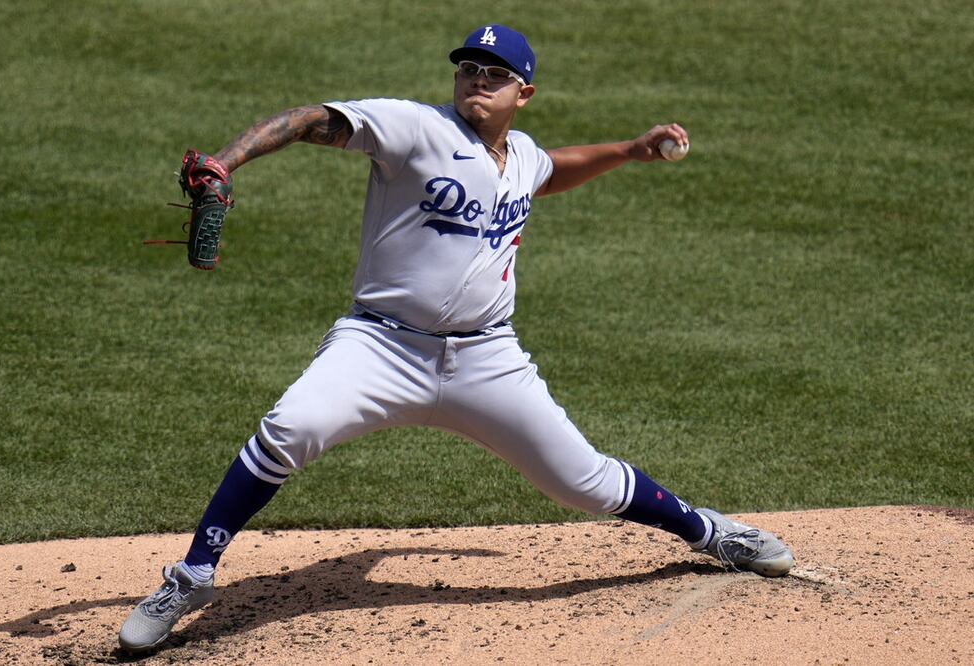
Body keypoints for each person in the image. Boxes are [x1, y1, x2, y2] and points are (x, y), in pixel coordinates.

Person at [118, 24, 794, 653]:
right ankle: (193, 574)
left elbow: (549, 171)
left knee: (581, 482)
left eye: (494, 75)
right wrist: (228, 161)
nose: (476, 80)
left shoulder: (520, 155)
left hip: (485, 359)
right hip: (379, 348)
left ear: (522, 94)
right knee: (289, 427)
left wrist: (626, 150)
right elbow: (308, 120)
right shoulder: (413, 127)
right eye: (468, 69)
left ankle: (711, 531)